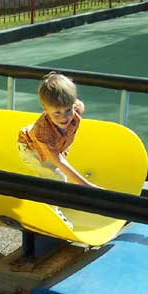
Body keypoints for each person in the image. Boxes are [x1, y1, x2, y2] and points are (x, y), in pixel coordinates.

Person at [17, 72, 98, 230]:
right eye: (57, 113)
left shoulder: (74, 108)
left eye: (68, 110)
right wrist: (86, 185)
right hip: (30, 150)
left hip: (54, 145)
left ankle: (52, 193)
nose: (64, 117)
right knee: (57, 176)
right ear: (45, 110)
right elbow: (58, 162)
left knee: (56, 176)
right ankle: (52, 213)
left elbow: (78, 105)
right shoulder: (43, 133)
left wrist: (73, 103)